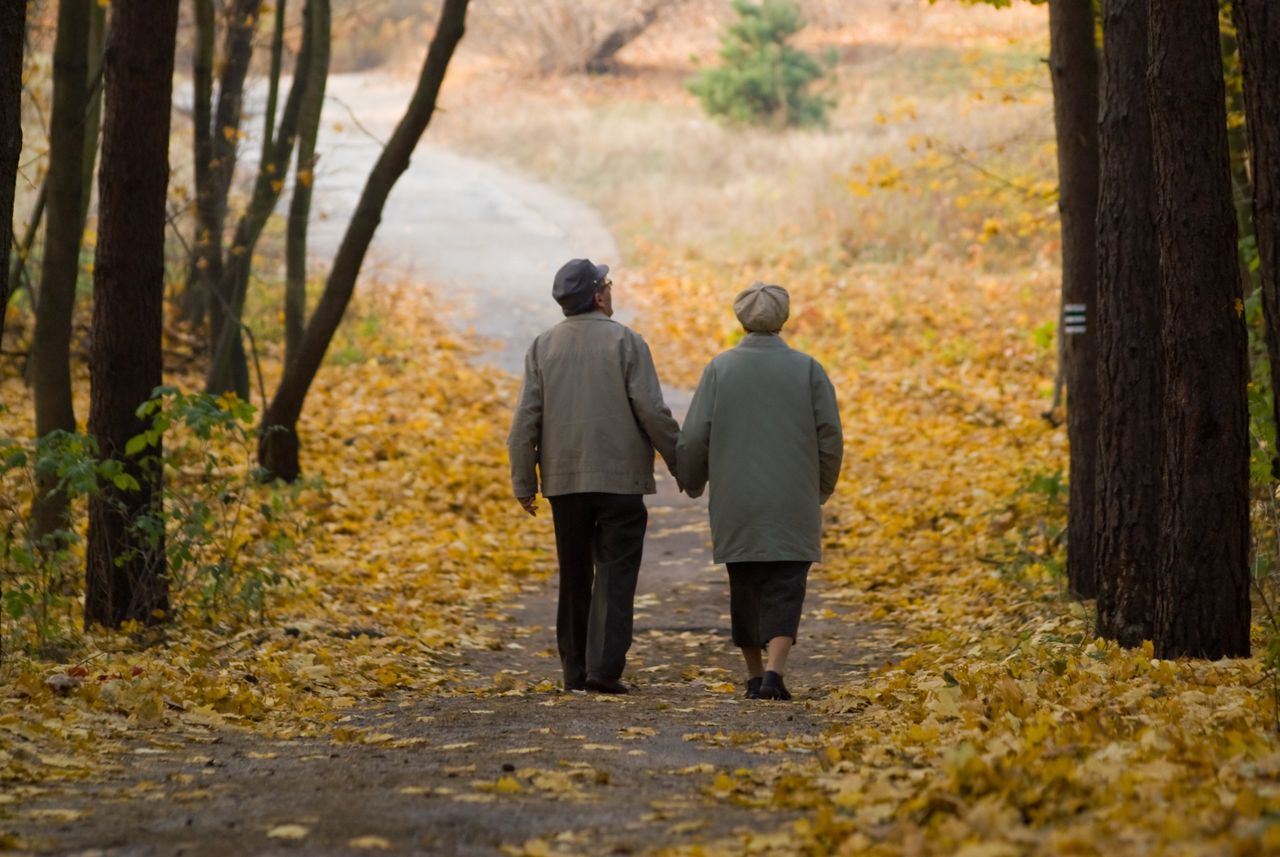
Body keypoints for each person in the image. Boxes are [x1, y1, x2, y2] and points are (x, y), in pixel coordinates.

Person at [508, 258, 680, 694]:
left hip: (565, 484)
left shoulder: (543, 346)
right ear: (599, 296)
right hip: (620, 483)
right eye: (608, 284)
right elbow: (653, 411)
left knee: (574, 573)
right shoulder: (626, 341)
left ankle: (573, 671)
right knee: (616, 573)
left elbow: (526, 419)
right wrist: (685, 464)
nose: (611, 289)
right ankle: (604, 669)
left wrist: (524, 482)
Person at [677, 282, 843, 701]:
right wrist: (821, 486)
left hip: (738, 499)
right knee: (787, 584)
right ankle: (775, 673)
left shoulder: (720, 368)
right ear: (783, 318)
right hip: (793, 497)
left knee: (745, 583)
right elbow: (830, 436)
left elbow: (696, 435)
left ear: (741, 318)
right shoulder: (808, 369)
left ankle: (754, 674)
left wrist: (693, 479)